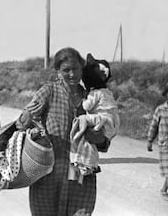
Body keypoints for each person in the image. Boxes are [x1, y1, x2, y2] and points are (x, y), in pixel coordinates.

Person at [17, 47, 109, 216]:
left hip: (81, 172)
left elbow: (105, 137)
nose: (72, 74)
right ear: (58, 71)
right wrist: (27, 116)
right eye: (66, 70)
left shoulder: (90, 97)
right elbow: (21, 127)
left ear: (82, 69)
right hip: (49, 173)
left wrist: (99, 139)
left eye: (75, 69)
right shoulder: (48, 91)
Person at [69, 54, 119, 183]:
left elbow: (86, 106)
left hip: (101, 120)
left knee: (83, 127)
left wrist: (83, 98)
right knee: (89, 137)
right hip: (111, 121)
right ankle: (87, 164)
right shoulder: (106, 92)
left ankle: (84, 164)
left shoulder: (92, 93)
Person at [147, 87, 168, 198]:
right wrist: (150, 140)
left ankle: (164, 188)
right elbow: (154, 126)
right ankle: (164, 190)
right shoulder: (161, 110)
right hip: (165, 144)